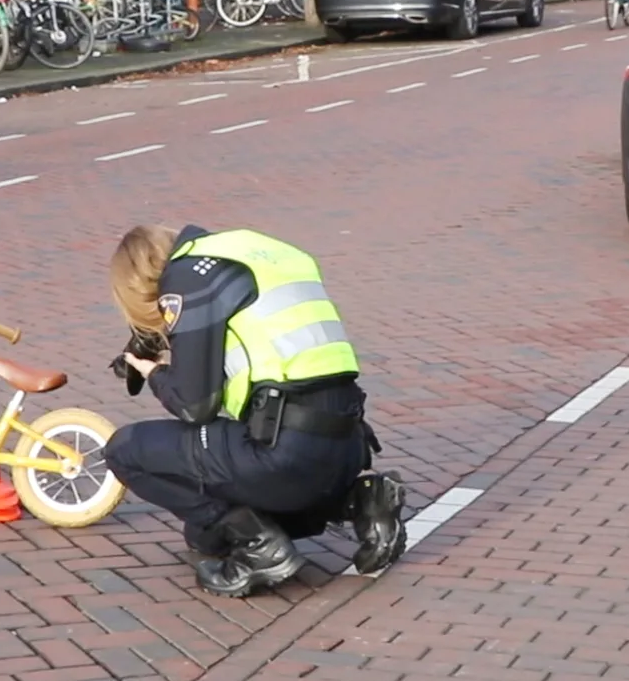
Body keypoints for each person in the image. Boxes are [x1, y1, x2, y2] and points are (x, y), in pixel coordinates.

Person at [103, 223, 407, 598]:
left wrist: (154, 371)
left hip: (284, 454)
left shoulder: (187, 276)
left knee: (124, 450)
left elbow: (193, 404)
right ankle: (361, 499)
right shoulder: (250, 252)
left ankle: (261, 550)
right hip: (347, 447)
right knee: (204, 536)